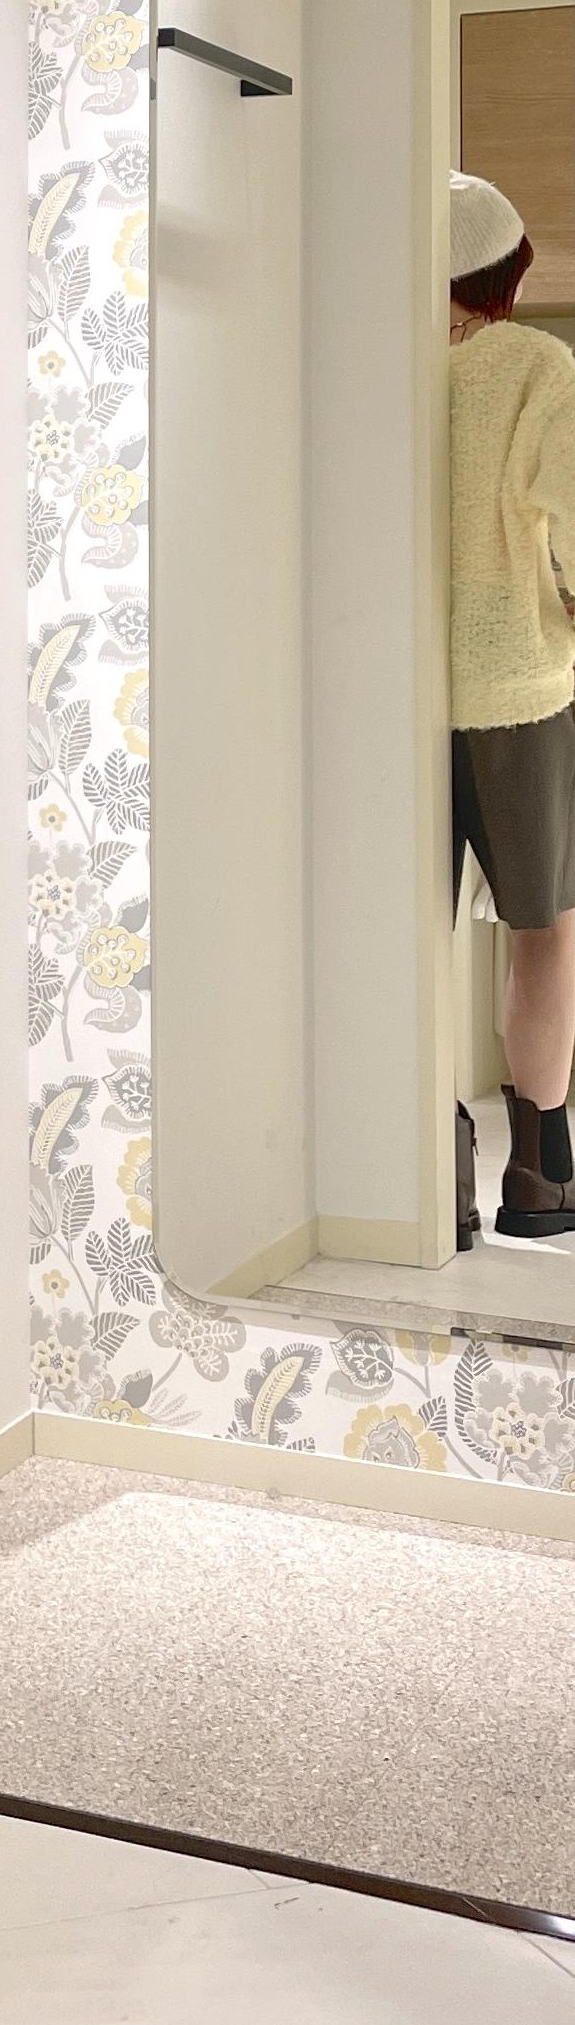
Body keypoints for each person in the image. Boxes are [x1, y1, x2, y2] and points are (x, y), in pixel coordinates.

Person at [449, 167, 575, 1237]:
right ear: (506, 273)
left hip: (383, 692)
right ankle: (539, 1177)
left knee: (393, 928)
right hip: (516, 691)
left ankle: (420, 1179)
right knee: (543, 930)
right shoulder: (535, 365)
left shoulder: (372, 365)